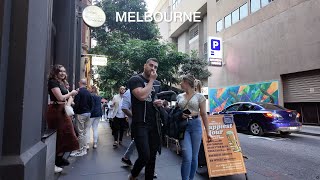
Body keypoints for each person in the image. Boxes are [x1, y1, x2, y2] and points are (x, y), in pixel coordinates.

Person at [128, 58, 163, 180]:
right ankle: (133, 175)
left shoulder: (158, 84)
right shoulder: (135, 80)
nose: (153, 68)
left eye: (155, 67)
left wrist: (160, 102)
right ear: (145, 66)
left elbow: (156, 99)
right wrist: (152, 80)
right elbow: (142, 95)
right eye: (151, 65)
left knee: (152, 157)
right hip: (140, 123)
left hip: (154, 123)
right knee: (145, 155)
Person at [176, 74, 213, 180]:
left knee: (194, 157)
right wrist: (180, 115)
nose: (180, 84)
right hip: (183, 127)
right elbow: (176, 112)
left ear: (187, 82)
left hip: (196, 125)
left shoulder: (200, 97)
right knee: (187, 157)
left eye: (181, 82)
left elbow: (204, 114)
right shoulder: (179, 96)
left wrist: (208, 132)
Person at [46, 64, 79, 173]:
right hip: (55, 110)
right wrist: (71, 93)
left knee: (69, 133)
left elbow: (68, 99)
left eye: (64, 71)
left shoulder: (62, 83)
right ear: (55, 72)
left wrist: (70, 99)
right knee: (60, 135)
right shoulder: (53, 82)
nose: (63, 73)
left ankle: (59, 159)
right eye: (60, 71)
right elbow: (60, 97)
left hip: (62, 110)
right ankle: (55, 162)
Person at [71, 79, 93, 156]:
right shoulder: (88, 92)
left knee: (80, 133)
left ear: (79, 83)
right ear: (86, 84)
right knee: (84, 132)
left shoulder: (78, 92)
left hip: (80, 114)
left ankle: (81, 150)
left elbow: (76, 104)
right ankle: (84, 148)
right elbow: (91, 104)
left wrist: (72, 104)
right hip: (88, 113)